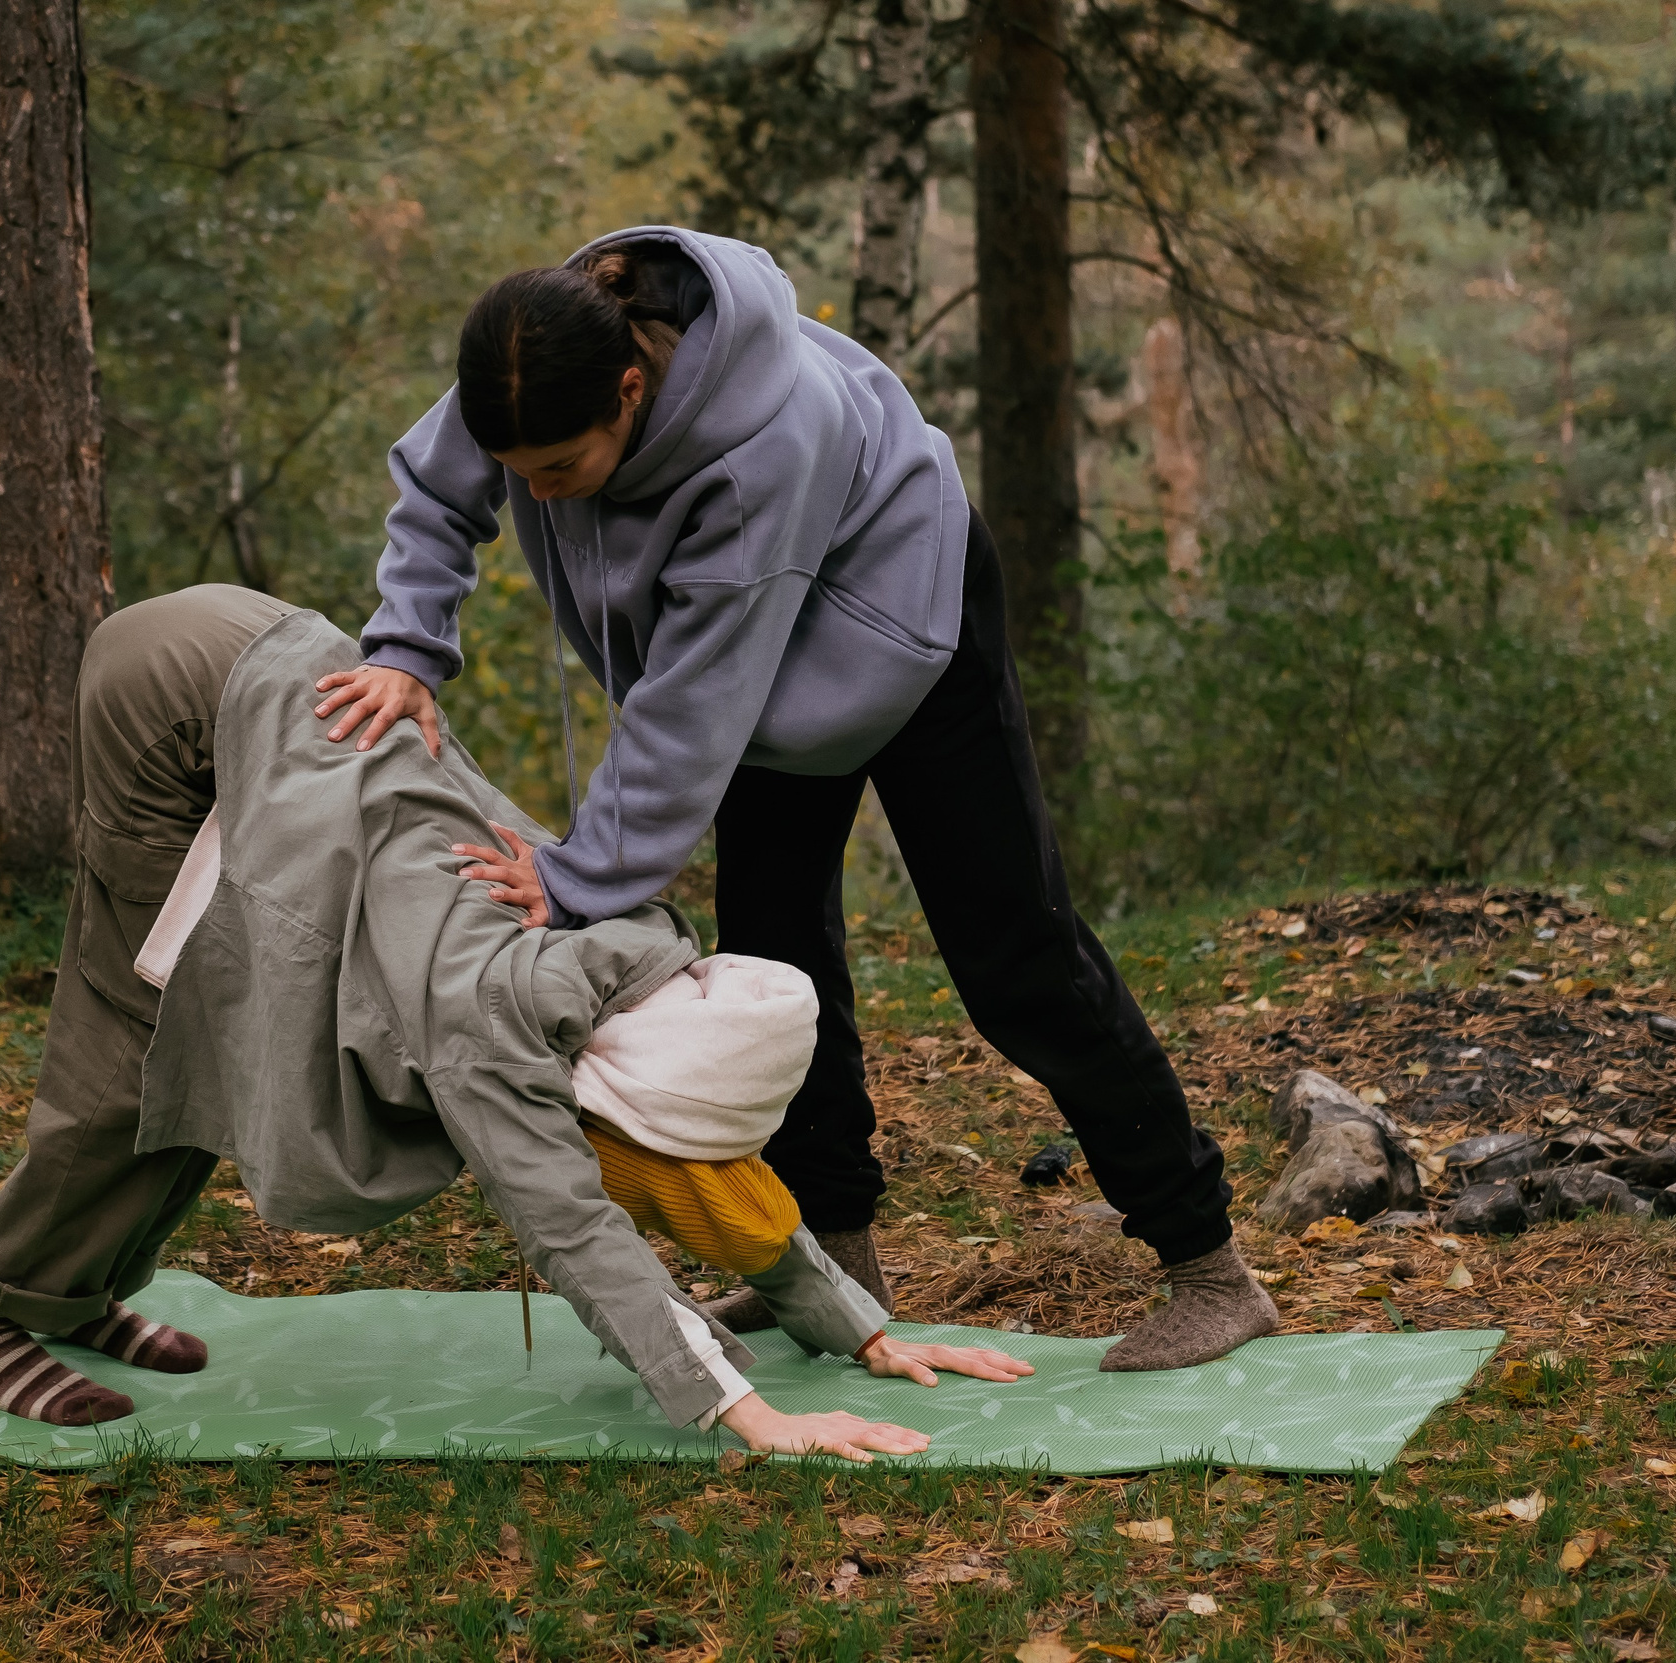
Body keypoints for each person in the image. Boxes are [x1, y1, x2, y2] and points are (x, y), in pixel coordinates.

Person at [315, 226, 1279, 1372]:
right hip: (754, 654)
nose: (533, 494)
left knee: (1016, 956)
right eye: (516, 470)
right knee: (774, 966)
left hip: (909, 624)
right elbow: (438, 485)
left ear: (630, 391)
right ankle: (833, 1262)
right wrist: (407, 645)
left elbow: (688, 704)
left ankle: (1208, 1266)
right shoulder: (541, 350)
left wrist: (576, 878)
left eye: (559, 469)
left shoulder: (761, 445)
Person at [0, 584, 1030, 1457]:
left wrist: (857, 1326)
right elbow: (574, 1228)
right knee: (152, 1032)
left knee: (204, 1036)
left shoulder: (642, 964)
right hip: (166, 702)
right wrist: (752, 1414)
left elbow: (704, 1171)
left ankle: (70, 1292)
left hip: (272, 655)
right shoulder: (491, 1019)